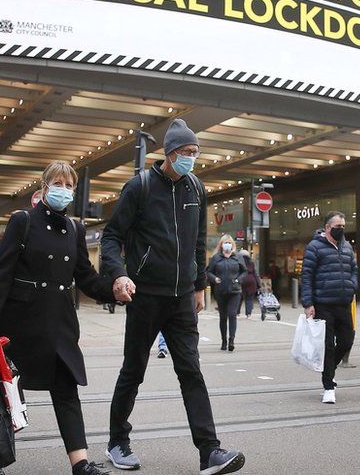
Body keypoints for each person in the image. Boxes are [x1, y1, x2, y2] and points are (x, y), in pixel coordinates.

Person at [100, 119, 245, 474]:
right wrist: (119, 274)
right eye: (185, 153)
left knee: (191, 371)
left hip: (182, 299)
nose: (191, 159)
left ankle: (209, 451)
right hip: (146, 295)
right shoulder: (140, 188)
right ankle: (118, 440)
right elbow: (111, 238)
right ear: (169, 153)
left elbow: (198, 242)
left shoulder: (196, 187)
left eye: (195, 153)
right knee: (133, 371)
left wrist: (198, 287)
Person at [0, 161, 114, 475]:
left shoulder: (76, 228)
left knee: (66, 391)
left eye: (68, 185)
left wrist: (113, 291)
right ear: (44, 185)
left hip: (59, 322)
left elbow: (86, 277)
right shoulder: (22, 221)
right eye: (58, 183)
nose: (63, 189)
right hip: (20, 321)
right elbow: (1, 274)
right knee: (7, 394)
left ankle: (80, 464)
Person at [300, 211, 357, 405]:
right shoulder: (315, 247)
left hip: (343, 302)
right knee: (328, 346)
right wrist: (308, 304)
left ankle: (328, 370)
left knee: (347, 341)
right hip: (323, 303)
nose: (341, 229)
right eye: (338, 226)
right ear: (327, 227)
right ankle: (328, 386)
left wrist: (352, 286)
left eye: (343, 226)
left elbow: (354, 269)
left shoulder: (347, 247)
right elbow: (306, 276)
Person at [207, 236, 246, 351]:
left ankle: (231, 341)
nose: (227, 245)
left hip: (235, 290)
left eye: (229, 243)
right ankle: (223, 340)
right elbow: (209, 271)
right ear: (221, 245)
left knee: (232, 314)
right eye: (225, 243)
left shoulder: (238, 257)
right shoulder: (216, 258)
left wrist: (239, 279)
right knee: (223, 316)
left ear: (232, 244)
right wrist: (214, 279)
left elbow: (244, 271)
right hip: (221, 290)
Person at [237, 250, 259, 319]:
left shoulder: (238, 262)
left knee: (238, 298)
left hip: (241, 279)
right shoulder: (251, 262)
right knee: (249, 298)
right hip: (251, 280)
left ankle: (237, 313)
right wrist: (259, 284)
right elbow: (256, 273)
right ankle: (248, 314)